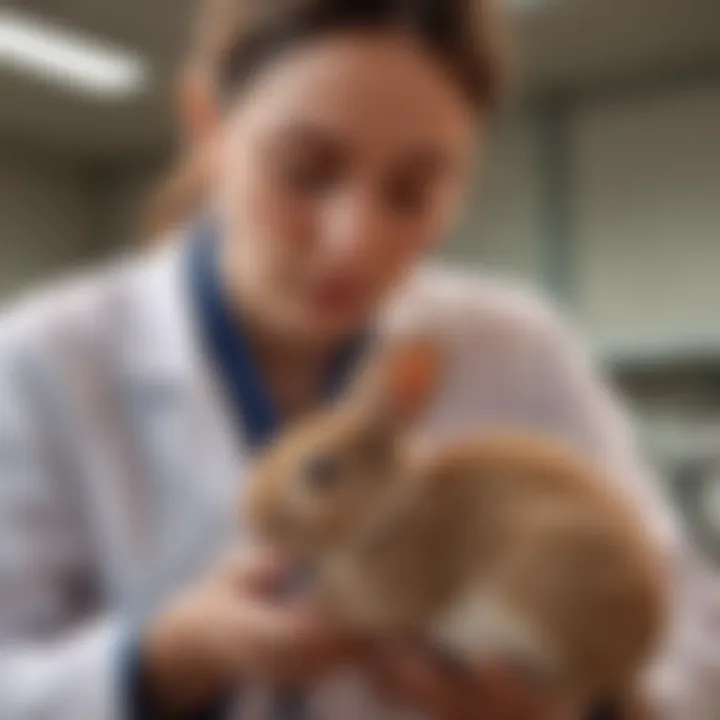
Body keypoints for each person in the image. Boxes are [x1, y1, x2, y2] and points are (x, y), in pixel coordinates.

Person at [0, 0, 717, 718]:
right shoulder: (47, 356)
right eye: (303, 171)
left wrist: (571, 709)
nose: (355, 240)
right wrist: (167, 657)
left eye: (413, 191)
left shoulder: (521, 346)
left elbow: (688, 635)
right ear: (208, 126)